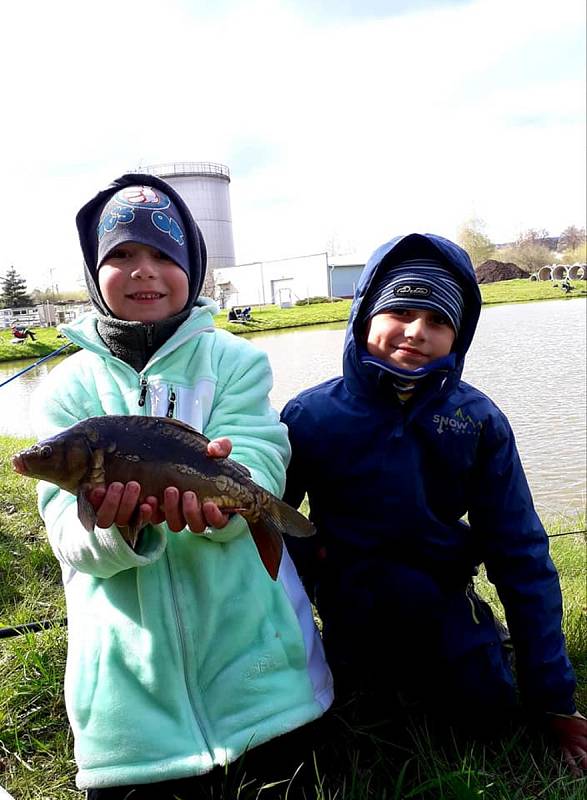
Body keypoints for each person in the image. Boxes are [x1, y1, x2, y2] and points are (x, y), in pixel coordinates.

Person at [31, 173, 333, 798]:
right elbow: (69, 535)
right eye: (121, 255)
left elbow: (260, 454)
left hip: (262, 689)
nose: (144, 271)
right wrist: (114, 527)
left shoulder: (234, 361)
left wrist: (229, 507)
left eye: (163, 255)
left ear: (192, 269)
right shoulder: (68, 390)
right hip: (132, 718)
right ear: (94, 272)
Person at [281, 232, 586, 774]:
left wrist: (553, 700)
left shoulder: (479, 421)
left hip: (440, 601)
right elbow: (272, 534)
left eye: (439, 321)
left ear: (459, 336)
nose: (417, 331)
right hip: (347, 607)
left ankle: (491, 645)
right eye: (399, 310)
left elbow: (521, 555)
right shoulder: (306, 416)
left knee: (489, 716)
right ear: (363, 317)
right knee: (345, 729)